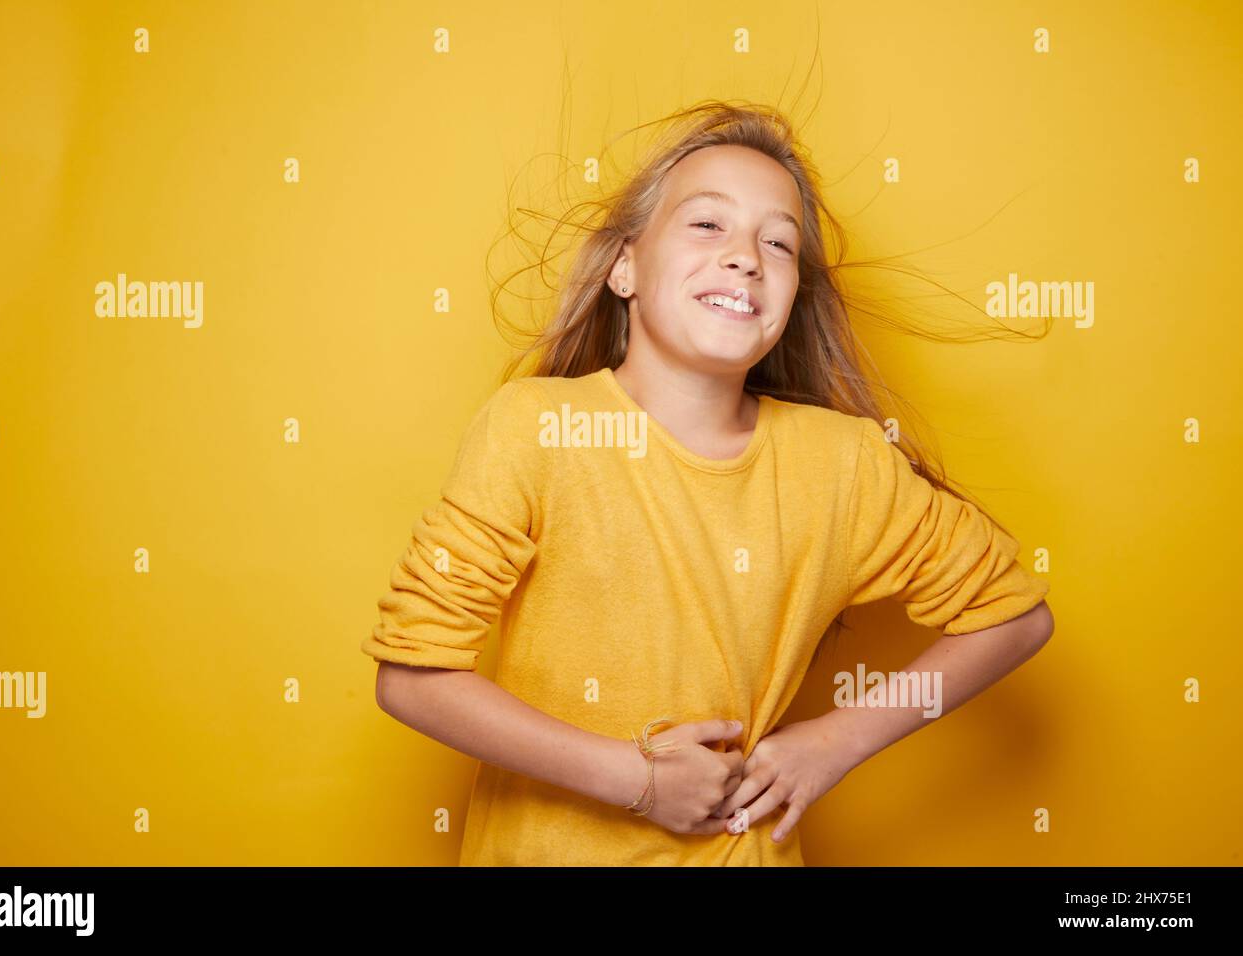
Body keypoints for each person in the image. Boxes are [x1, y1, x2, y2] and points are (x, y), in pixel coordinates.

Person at [360, 102, 1054, 866]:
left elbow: (1013, 616)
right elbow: (413, 676)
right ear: (625, 266)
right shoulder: (534, 428)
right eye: (706, 225)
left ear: (790, 298)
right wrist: (636, 780)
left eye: (779, 243)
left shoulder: (845, 463)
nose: (745, 257)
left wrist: (835, 742)